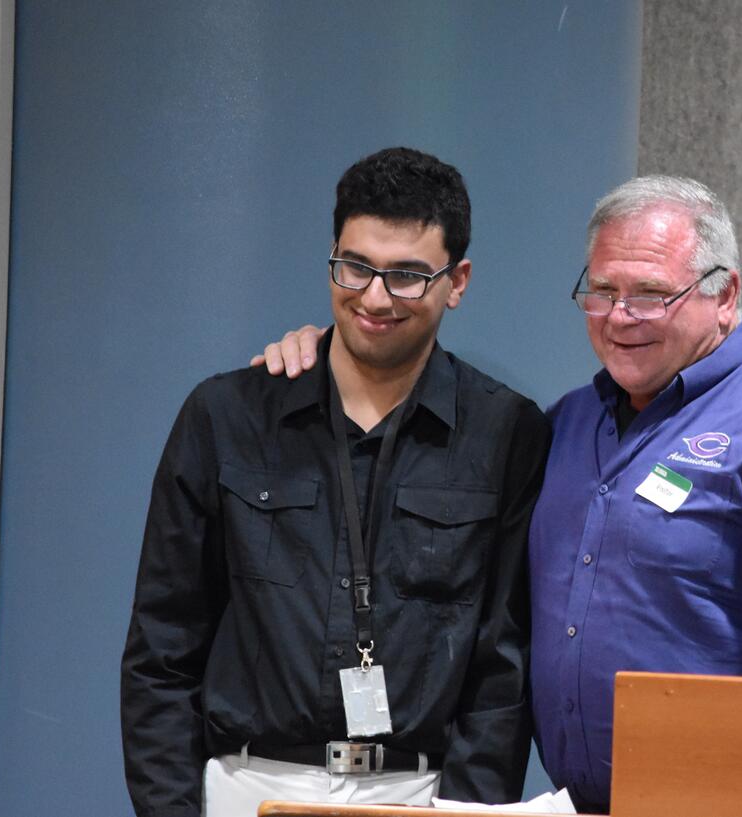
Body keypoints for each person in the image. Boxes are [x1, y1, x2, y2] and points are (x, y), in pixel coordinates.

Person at [255, 175, 742, 813]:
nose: (620, 317)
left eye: (651, 294)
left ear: (725, 295)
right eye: (601, 291)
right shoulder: (564, 426)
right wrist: (328, 359)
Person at [121, 147, 550, 817]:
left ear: (457, 280)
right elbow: (162, 651)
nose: (374, 297)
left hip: (418, 794)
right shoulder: (226, 415)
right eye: (355, 266)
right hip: (245, 784)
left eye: (407, 274)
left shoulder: (506, 433)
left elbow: (504, 669)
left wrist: (466, 811)